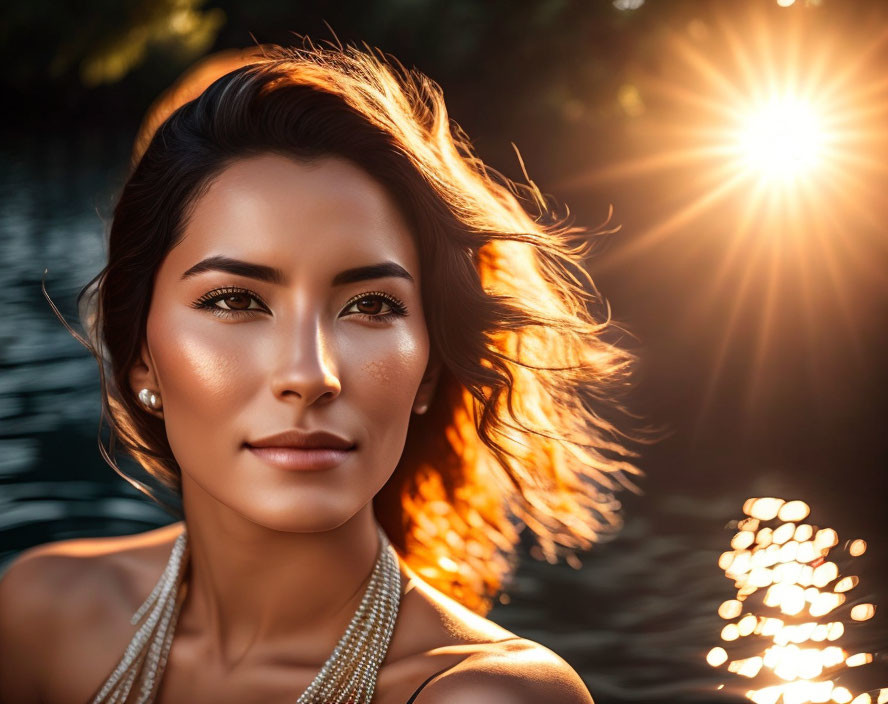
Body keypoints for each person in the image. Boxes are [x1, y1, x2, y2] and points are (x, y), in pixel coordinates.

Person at [0, 39, 654, 704]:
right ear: (141, 352)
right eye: (236, 300)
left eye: (371, 306)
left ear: (427, 368)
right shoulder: (42, 616)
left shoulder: (479, 695)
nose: (311, 375)